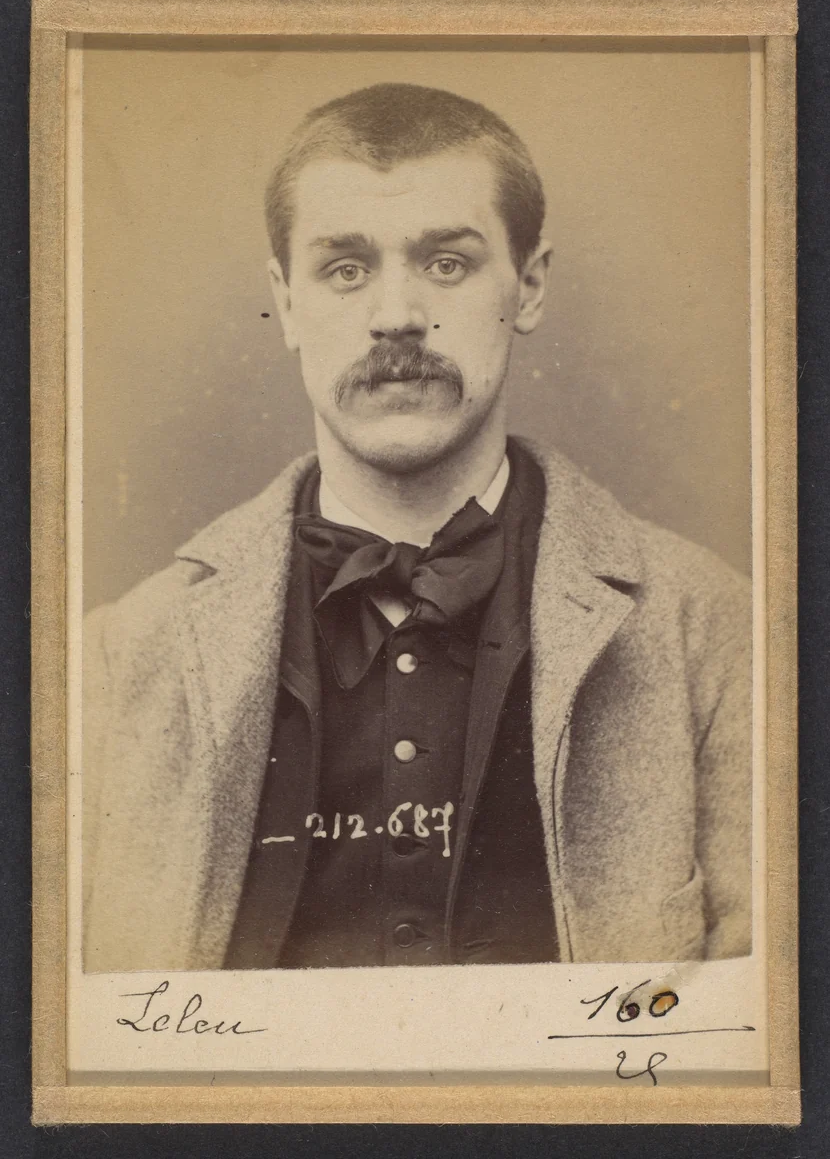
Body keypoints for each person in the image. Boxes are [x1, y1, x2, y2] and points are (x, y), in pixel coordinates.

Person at [83, 82, 751, 972]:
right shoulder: (117, 659)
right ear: (285, 303)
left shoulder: (714, 632)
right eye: (346, 269)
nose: (396, 314)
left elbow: (767, 1027)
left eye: (446, 263)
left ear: (530, 285)